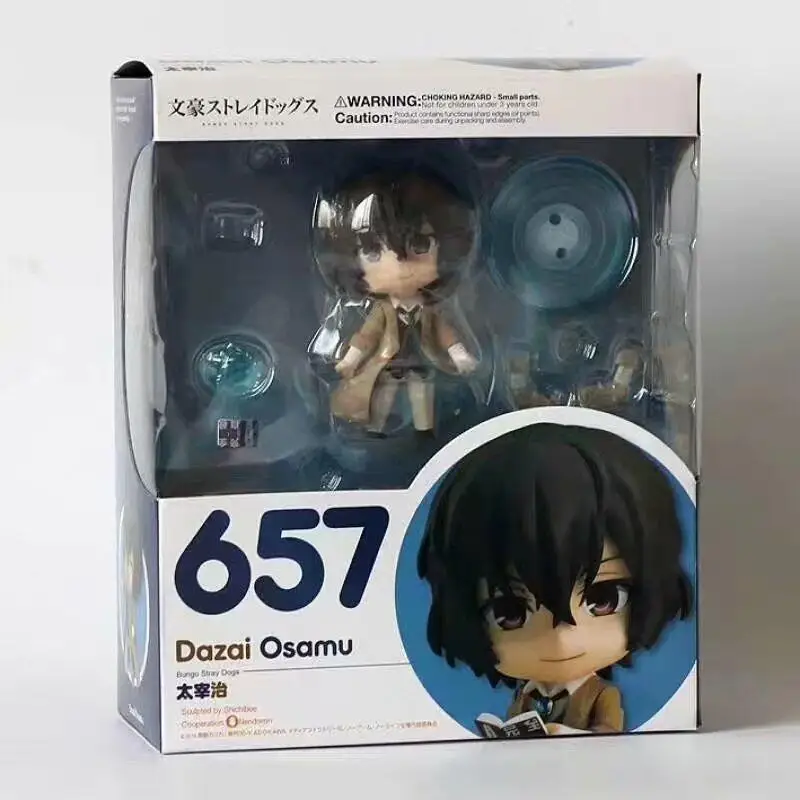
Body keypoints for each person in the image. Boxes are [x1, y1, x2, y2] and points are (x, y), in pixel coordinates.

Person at [417, 422, 693, 735]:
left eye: (602, 600)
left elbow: (610, 733)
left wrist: (570, 736)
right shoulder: (525, 695)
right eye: (510, 613)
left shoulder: (602, 694)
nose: (562, 639)